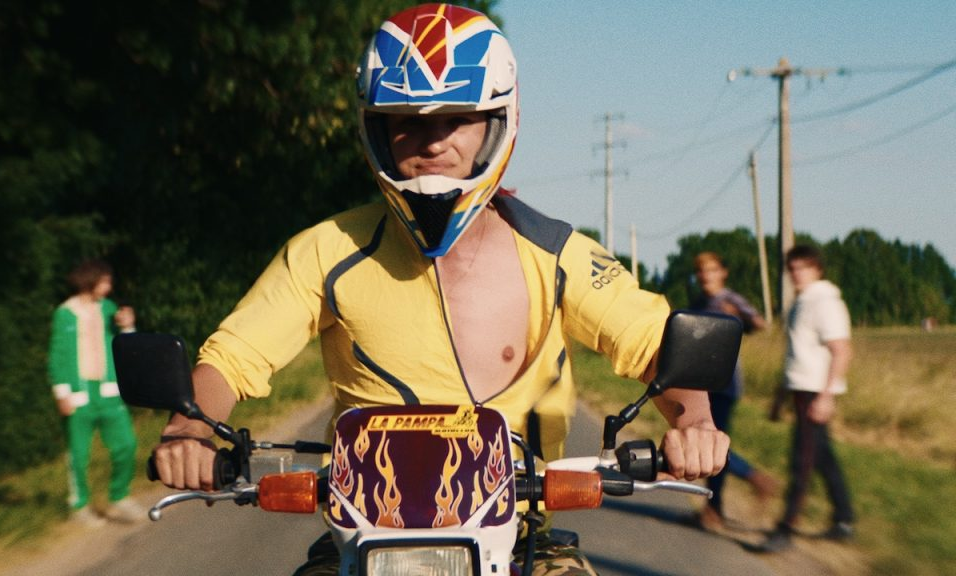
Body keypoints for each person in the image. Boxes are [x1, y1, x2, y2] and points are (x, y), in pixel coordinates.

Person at [152, 4, 729, 574]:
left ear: (498, 122)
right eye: (410, 122)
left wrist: (694, 425)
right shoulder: (324, 251)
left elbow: (654, 343)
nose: (435, 142)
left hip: (524, 530)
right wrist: (190, 429)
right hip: (361, 534)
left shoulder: (558, 256)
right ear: (375, 128)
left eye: (456, 119)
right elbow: (233, 357)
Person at [760, 245, 855, 552]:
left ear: (817, 268)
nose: (795, 274)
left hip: (816, 393)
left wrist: (826, 397)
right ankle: (844, 519)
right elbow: (795, 355)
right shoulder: (801, 303)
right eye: (792, 268)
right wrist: (779, 397)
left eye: (802, 267)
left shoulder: (826, 302)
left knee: (802, 462)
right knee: (823, 458)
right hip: (800, 392)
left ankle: (786, 527)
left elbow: (841, 350)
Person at [48, 259, 144, 526]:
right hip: (79, 395)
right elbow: (57, 355)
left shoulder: (108, 308)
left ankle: (119, 499)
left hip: (108, 391)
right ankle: (78, 507)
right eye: (105, 281)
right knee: (79, 454)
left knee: (126, 445)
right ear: (90, 281)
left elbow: (125, 345)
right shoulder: (65, 313)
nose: (109, 286)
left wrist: (128, 326)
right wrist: (62, 393)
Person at [688, 252, 778, 532]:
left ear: (723, 272)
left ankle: (753, 479)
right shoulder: (700, 302)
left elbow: (759, 322)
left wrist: (737, 318)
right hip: (703, 382)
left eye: (712, 270)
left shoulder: (729, 298)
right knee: (709, 443)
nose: (707, 275)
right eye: (702, 270)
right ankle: (713, 510)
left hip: (725, 384)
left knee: (714, 445)